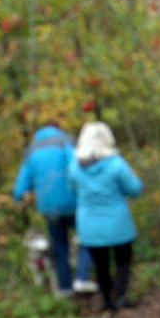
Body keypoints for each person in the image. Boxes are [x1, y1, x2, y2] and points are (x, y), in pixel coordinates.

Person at [13, 120, 98, 296]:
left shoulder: (32, 150)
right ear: (58, 128)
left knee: (60, 247)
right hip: (73, 201)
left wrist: (19, 196)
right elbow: (77, 166)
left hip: (48, 207)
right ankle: (82, 277)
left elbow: (21, 184)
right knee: (88, 237)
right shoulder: (66, 141)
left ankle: (65, 288)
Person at [68, 121, 143, 311]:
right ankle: (120, 295)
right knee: (123, 261)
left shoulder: (75, 167)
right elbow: (134, 189)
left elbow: (72, 190)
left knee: (100, 264)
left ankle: (107, 301)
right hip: (117, 223)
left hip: (89, 225)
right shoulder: (116, 164)